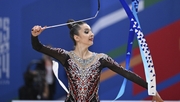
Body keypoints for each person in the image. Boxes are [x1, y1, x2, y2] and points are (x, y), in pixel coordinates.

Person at [31, 19, 163, 102]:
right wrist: (34, 35)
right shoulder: (66, 56)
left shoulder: (101, 58)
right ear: (77, 37)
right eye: (87, 32)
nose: (92, 34)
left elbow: (127, 73)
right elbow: (38, 47)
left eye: (91, 31)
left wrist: (151, 89)